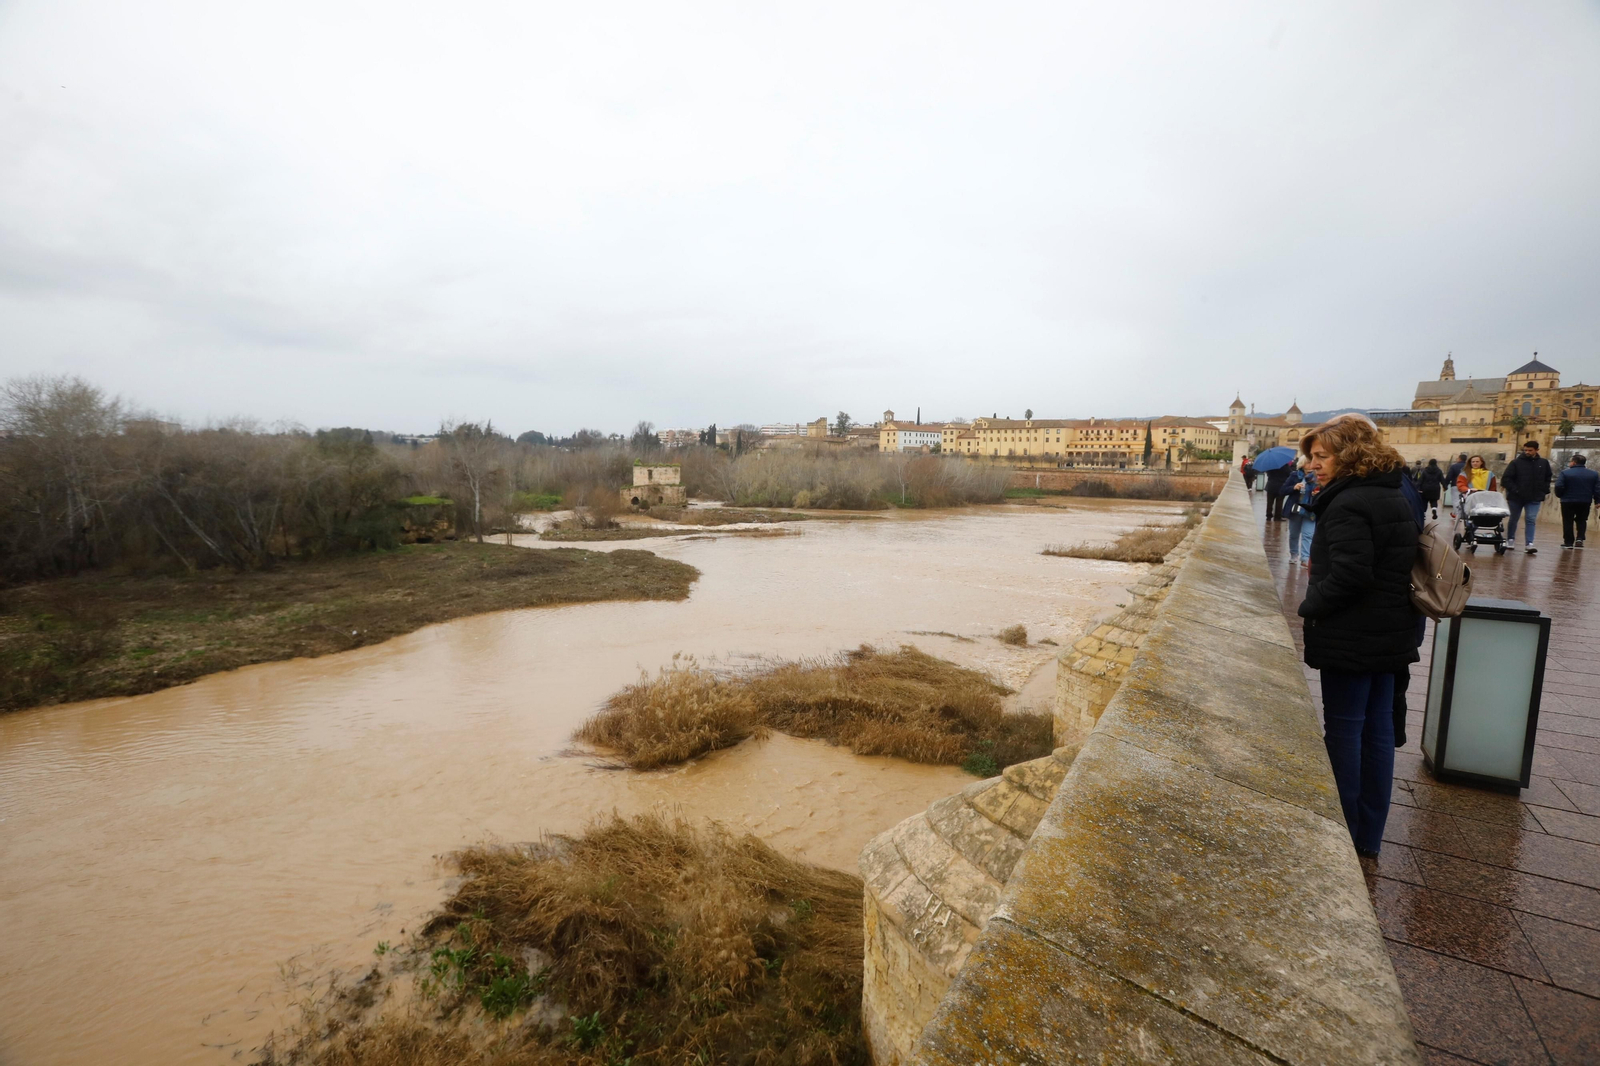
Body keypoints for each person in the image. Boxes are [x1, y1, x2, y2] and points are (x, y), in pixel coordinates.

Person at [1298, 418, 1419, 858]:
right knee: (1379, 733)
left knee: (1346, 733)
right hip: (1389, 635)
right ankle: (1368, 835)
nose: (1312, 465)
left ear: (1347, 455)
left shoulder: (1348, 503)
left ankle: (1342, 833)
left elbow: (1350, 575)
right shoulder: (1392, 492)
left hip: (1352, 637)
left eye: (1321, 457)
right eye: (1312, 457)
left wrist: (1308, 607)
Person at [1501, 440, 1553, 555]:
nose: (1527, 452)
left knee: (1530, 519)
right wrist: (1516, 490)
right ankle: (1510, 539)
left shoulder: (1543, 463)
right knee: (1514, 518)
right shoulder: (1515, 463)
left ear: (1536, 450)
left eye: (1530, 450)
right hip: (1516, 497)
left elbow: (1548, 477)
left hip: (1534, 497)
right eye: (1525, 450)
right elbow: (1506, 479)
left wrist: (1544, 490)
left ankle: (1529, 543)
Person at [1554, 453, 1600, 549]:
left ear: (1574, 463)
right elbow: (1597, 489)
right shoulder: (1594, 474)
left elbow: (1558, 486)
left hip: (1567, 500)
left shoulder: (1565, 473)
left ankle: (1568, 542)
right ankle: (1580, 539)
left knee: (1567, 521)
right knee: (1582, 520)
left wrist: (1560, 495)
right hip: (1585, 501)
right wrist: (1597, 501)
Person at [1285, 460, 1318, 564]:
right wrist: (1294, 487)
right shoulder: (1295, 475)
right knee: (1294, 534)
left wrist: (1318, 493)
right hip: (1297, 507)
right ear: (1303, 464)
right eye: (1308, 462)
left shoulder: (1318, 476)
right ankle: (1294, 554)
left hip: (1310, 509)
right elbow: (1283, 490)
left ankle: (1305, 558)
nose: (1311, 465)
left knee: (1308, 534)